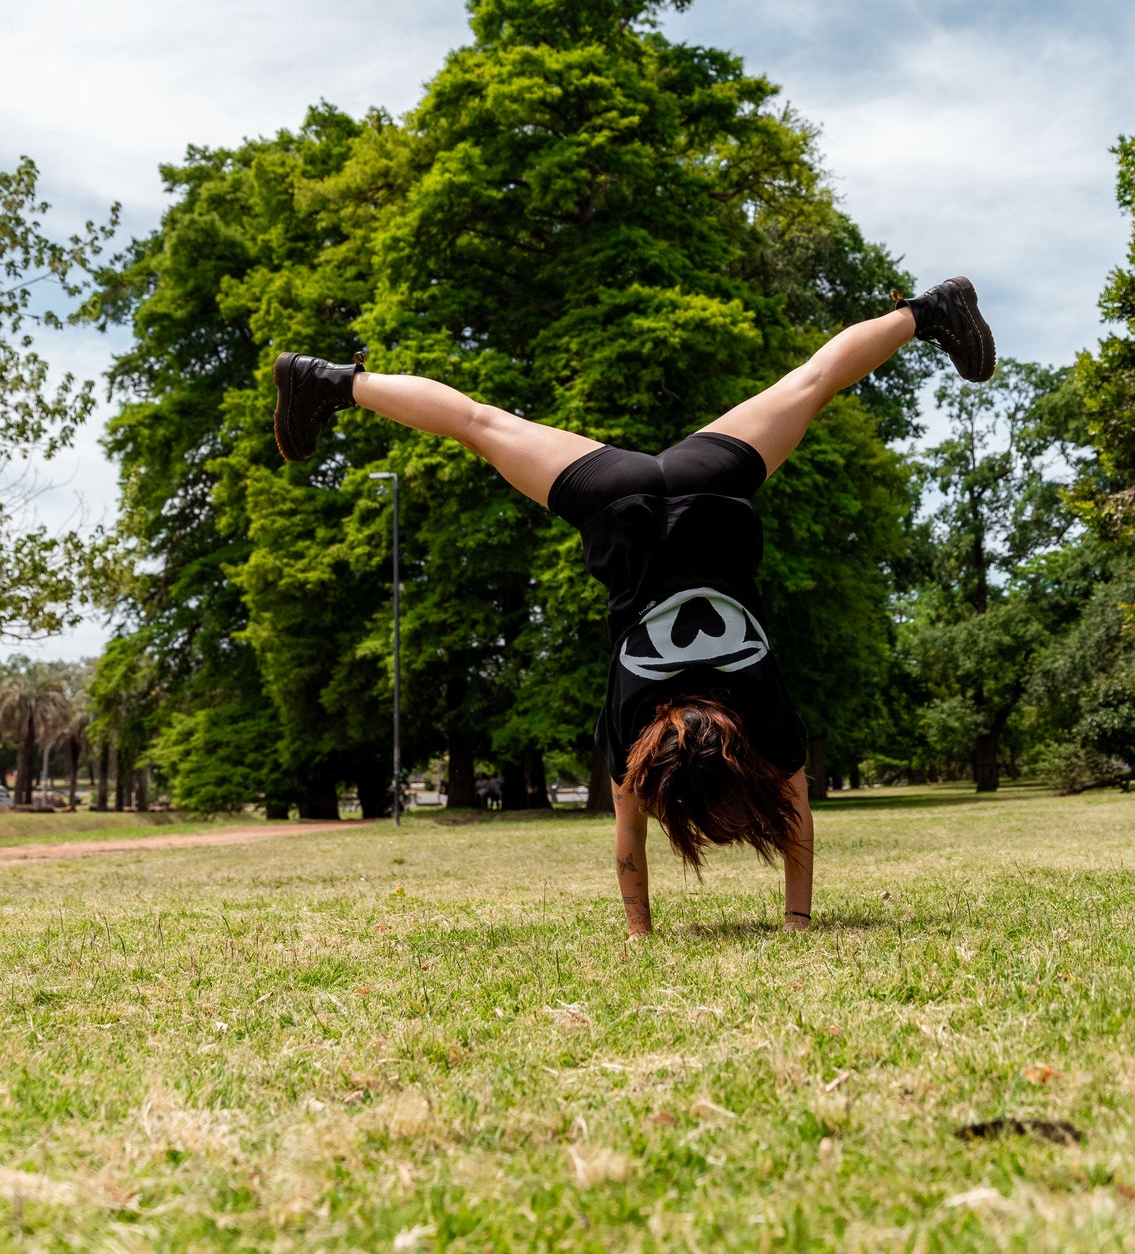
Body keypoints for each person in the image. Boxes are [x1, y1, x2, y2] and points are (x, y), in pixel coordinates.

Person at [272, 277, 995, 937]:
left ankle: (926, 312)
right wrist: (644, 932)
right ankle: (328, 382)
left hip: (705, 488)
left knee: (810, 382)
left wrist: (796, 919)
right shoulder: (632, 728)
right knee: (479, 423)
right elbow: (633, 838)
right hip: (619, 503)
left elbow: (795, 818)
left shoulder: (766, 719)